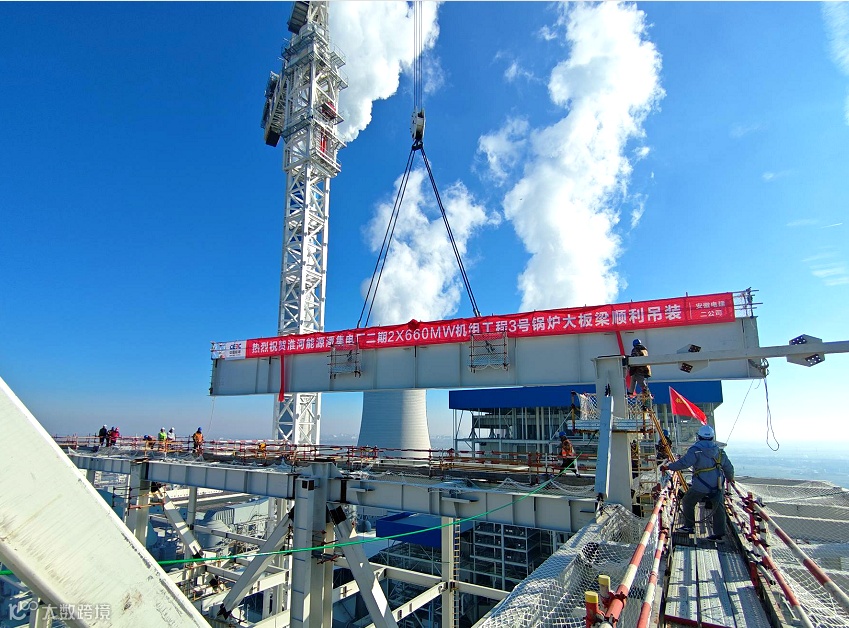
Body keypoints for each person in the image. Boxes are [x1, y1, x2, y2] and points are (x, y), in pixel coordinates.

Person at [661, 424, 735, 541]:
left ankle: (689, 526)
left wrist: (669, 467)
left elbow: (684, 463)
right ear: (712, 437)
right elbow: (728, 467)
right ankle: (719, 534)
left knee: (688, 501)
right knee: (718, 507)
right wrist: (730, 478)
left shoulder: (695, 450)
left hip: (701, 485)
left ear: (699, 437)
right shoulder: (720, 452)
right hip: (717, 485)